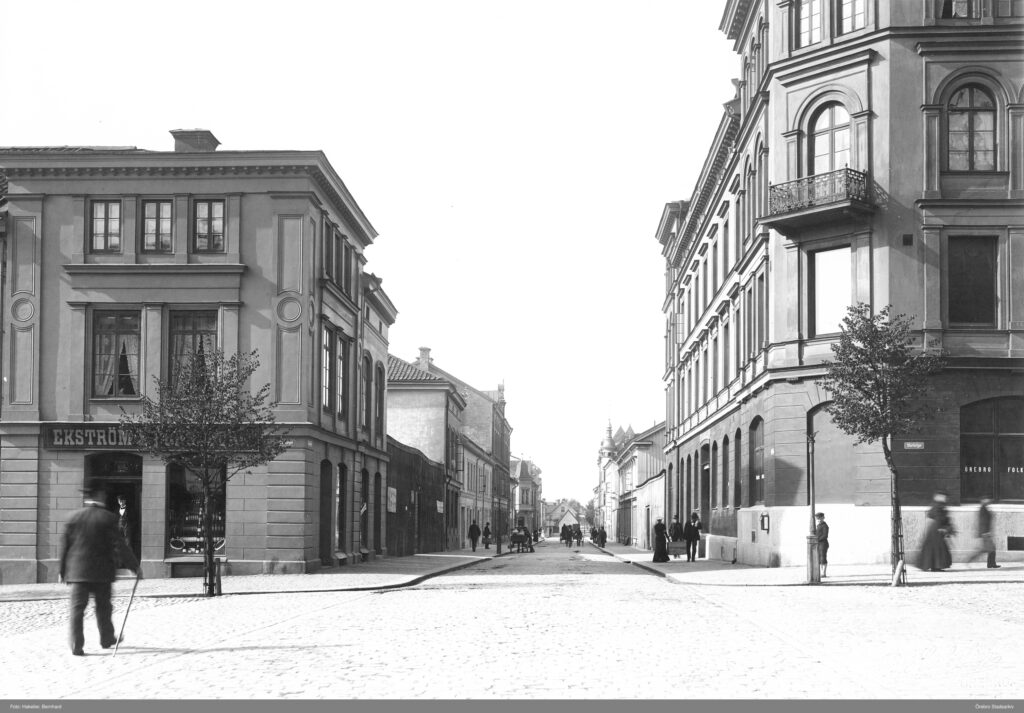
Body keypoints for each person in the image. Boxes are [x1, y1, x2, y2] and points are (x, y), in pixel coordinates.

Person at [59, 478, 141, 656]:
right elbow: (120, 545)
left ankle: (76, 644)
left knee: (77, 609)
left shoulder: (73, 517)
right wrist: (134, 567)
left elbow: (65, 546)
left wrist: (62, 571)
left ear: (86, 496)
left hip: (78, 572)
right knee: (104, 607)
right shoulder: (108, 518)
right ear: (100, 495)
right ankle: (106, 638)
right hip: (101, 572)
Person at [916, 491, 954, 572]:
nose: (946, 499)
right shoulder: (938, 506)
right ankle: (936, 566)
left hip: (935, 528)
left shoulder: (939, 505)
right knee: (937, 548)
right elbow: (939, 517)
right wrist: (943, 528)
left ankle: (935, 566)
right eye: (945, 497)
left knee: (934, 548)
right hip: (936, 529)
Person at [967, 499, 1000, 569]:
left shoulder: (984, 509)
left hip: (985, 532)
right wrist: (986, 533)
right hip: (985, 533)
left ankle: (991, 564)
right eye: (987, 501)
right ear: (983, 502)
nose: (988, 502)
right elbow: (983, 522)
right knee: (990, 549)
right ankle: (970, 559)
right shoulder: (983, 510)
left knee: (990, 549)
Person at [815, 512, 830, 578]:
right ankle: (821, 573)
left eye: (820, 518)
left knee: (823, 558)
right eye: (817, 519)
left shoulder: (824, 526)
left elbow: (825, 535)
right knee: (819, 558)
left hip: (823, 544)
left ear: (823, 518)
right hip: (819, 544)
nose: (819, 520)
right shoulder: (818, 525)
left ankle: (823, 573)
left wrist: (817, 539)